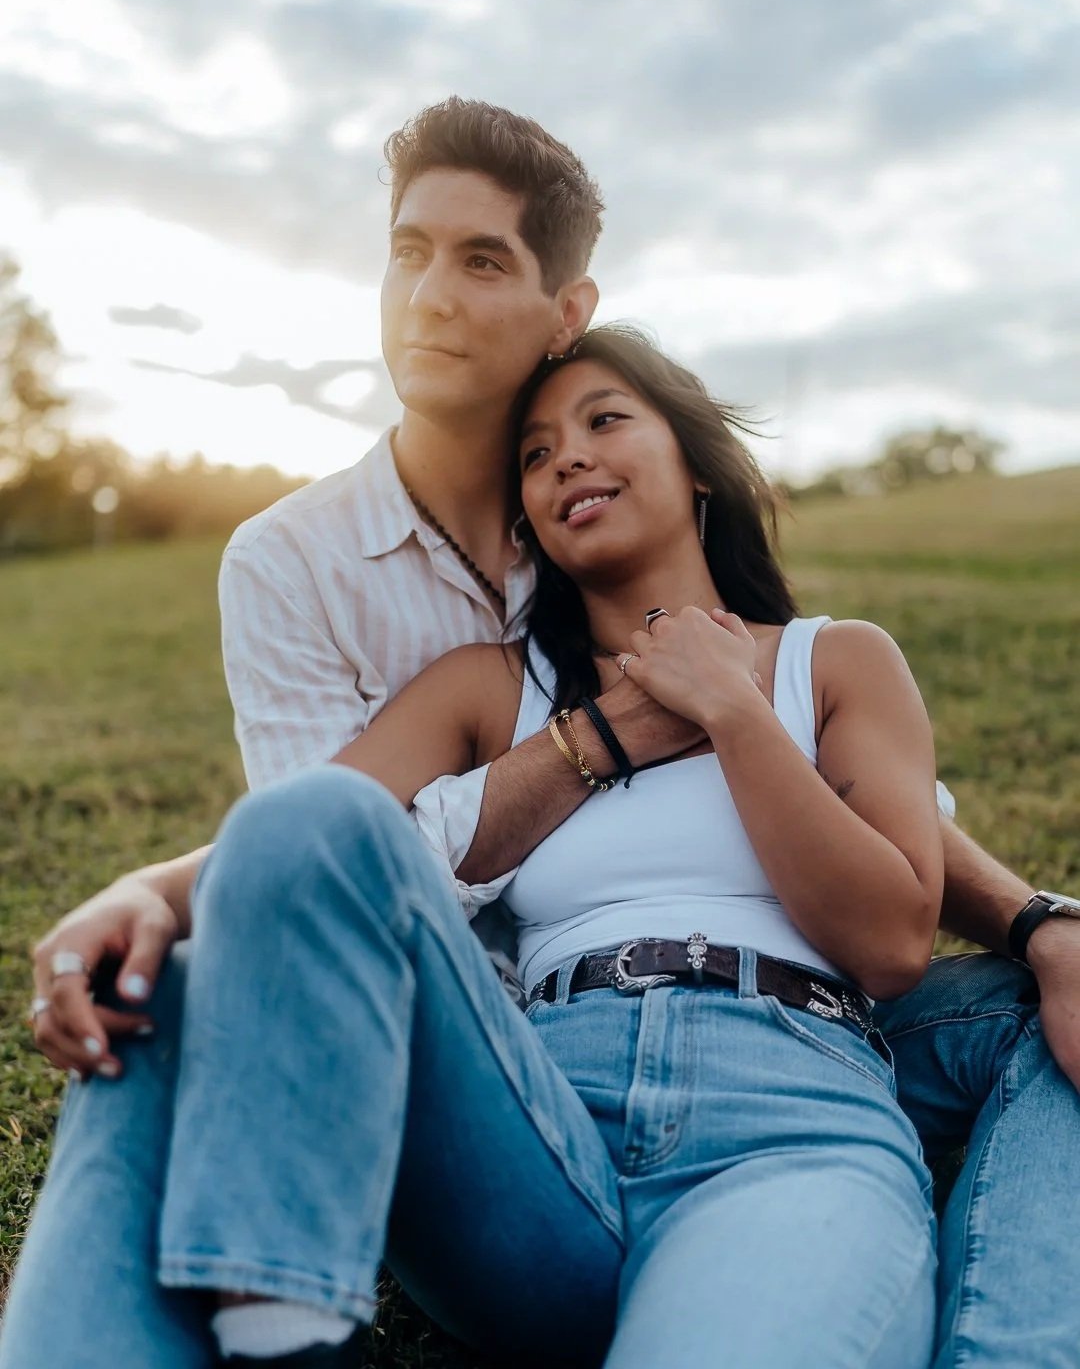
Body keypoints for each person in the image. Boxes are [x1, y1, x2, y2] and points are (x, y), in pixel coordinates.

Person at [7, 99, 1080, 1367]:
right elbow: (324, 851)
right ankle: (286, 1332)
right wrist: (152, 889)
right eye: (537, 452)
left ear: (695, 463)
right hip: (530, 1110)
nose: (567, 459)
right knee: (193, 953)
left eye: (607, 423)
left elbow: (896, 931)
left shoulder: (829, 663)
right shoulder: (453, 663)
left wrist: (735, 710)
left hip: (790, 1114)